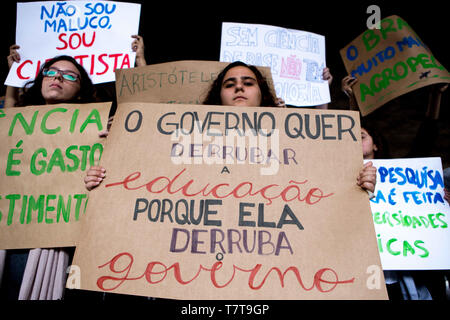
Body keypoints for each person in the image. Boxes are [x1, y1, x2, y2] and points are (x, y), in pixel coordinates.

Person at [85, 61, 376, 194]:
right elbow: (151, 170)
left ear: (263, 94)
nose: (239, 88)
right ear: (218, 95)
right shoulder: (187, 135)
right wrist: (122, 145)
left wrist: (357, 181)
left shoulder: (292, 138)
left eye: (248, 83)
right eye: (230, 84)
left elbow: (324, 172)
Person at [1, 54, 97, 301]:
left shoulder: (94, 130)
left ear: (79, 91)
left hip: (50, 240)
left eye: (68, 75)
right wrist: (13, 75)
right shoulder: (14, 124)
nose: (57, 77)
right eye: (51, 71)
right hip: (8, 231)